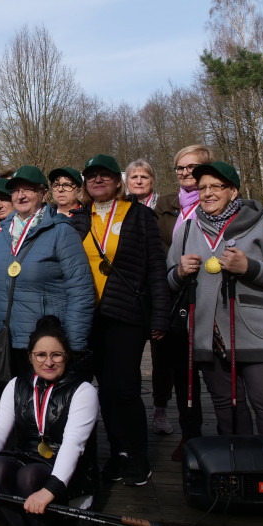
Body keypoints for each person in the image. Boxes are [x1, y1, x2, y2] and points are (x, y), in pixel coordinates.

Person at [167, 162, 263, 441]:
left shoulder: (258, 222)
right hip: (208, 336)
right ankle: (239, 477)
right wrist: (179, 272)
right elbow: (168, 280)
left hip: (256, 333)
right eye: (203, 187)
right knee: (228, 411)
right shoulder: (187, 229)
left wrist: (250, 267)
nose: (207, 193)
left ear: (233, 191)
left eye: (216, 186)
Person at [0, 316, 99, 526]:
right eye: (41, 355)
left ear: (67, 356)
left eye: (56, 355)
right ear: (30, 357)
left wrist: (50, 489)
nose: (48, 362)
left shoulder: (83, 390)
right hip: (27, 458)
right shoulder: (16, 385)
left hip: (67, 471)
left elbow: (73, 445)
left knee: (29, 476)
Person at [79, 154, 169, 487]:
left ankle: (139, 456)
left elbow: (156, 270)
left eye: (105, 175)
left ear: (119, 182)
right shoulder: (79, 218)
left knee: (126, 388)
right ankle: (117, 453)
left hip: (127, 315)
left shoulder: (140, 216)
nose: (98, 180)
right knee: (103, 390)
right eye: (91, 176)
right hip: (90, 318)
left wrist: (160, 315)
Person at [0, 165, 95, 380]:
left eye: (28, 189)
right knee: (17, 407)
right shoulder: (3, 235)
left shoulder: (62, 232)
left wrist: (72, 345)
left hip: (47, 345)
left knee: (47, 410)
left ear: (43, 193)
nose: (21, 195)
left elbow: (81, 291)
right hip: (8, 340)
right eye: (16, 190)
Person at [154, 144, 215, 460]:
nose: (184, 173)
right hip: (174, 293)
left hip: (210, 294)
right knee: (182, 373)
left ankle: (229, 439)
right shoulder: (164, 204)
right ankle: (190, 435)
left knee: (215, 372)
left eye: (191, 167)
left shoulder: (215, 201)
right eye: (179, 167)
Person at [124, 158, 171, 435]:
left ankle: (161, 408)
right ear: (126, 182)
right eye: (134, 177)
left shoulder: (164, 208)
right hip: (129, 293)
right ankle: (131, 406)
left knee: (162, 357)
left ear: (152, 181)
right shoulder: (120, 208)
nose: (139, 181)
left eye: (144, 177)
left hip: (158, 287)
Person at [48, 167, 89, 238]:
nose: (60, 189)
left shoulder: (88, 216)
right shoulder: (44, 215)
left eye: (67, 185)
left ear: (79, 190)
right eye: (56, 185)